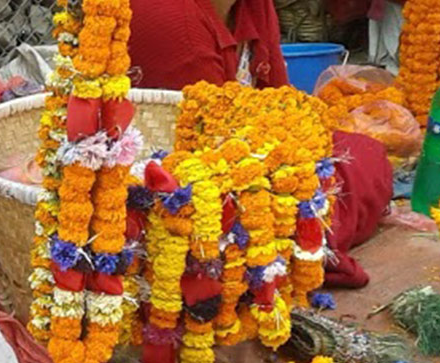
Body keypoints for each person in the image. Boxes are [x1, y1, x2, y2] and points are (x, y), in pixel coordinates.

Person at [129, 0, 395, 287]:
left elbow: (279, 101)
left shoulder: (254, 6)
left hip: (254, 145)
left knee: (361, 152)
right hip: (189, 182)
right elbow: (208, 142)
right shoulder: (171, 18)